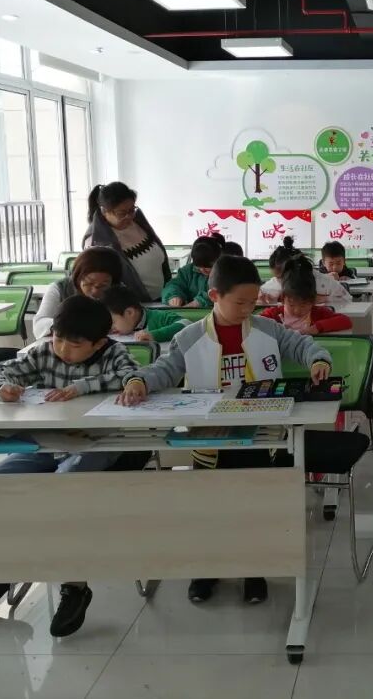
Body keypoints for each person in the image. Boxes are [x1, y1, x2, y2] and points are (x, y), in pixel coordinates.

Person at [119, 255, 333, 606]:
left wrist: (318, 359)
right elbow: (165, 369)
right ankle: (208, 569)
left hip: (260, 437)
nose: (248, 309)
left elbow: (302, 345)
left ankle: (254, 571)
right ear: (214, 295)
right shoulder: (190, 337)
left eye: (252, 302)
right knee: (211, 509)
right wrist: (140, 380)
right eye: (240, 302)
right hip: (211, 439)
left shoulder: (267, 329)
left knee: (254, 508)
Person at [0, 295, 145, 637]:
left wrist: (81, 387)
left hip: (97, 445)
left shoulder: (114, 353)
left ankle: (74, 585)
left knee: (64, 489)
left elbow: (133, 378)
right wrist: (2, 388)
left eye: (74, 345)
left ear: (99, 343)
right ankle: (1, 569)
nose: (63, 349)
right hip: (48, 443)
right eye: (58, 338)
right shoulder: (44, 352)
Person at [84, 182, 170, 301]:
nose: (129, 216)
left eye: (132, 210)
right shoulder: (96, 241)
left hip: (162, 299)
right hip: (131, 305)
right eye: (122, 213)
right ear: (104, 212)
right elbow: (101, 283)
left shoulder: (139, 223)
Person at [33, 247, 123, 340]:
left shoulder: (119, 290)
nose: (95, 291)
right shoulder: (60, 289)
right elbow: (39, 325)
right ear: (77, 278)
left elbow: (132, 318)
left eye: (103, 285)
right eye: (89, 283)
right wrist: (72, 325)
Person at [261, 256, 352, 335]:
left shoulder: (316, 313)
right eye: (291, 305)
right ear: (283, 299)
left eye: (303, 305)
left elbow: (345, 321)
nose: (297, 310)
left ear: (312, 301)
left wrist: (317, 327)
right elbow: (255, 324)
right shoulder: (273, 314)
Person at [259, 237, 349, 305]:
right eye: (277, 277)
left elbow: (347, 298)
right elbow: (258, 294)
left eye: (281, 277)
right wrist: (261, 298)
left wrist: (319, 299)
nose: (280, 281)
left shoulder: (322, 280)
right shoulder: (276, 282)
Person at [102, 286, 196, 343]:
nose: (110, 327)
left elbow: (186, 324)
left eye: (113, 322)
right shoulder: (113, 330)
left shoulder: (157, 317)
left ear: (130, 313)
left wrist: (154, 335)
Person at [161, 236, 223, 308]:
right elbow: (174, 285)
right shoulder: (187, 271)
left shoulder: (225, 272)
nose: (202, 270)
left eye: (207, 266)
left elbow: (224, 292)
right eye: (198, 265)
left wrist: (200, 302)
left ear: (218, 259)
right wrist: (173, 296)